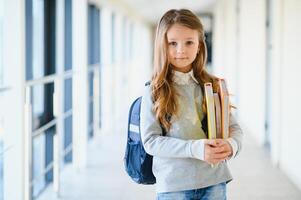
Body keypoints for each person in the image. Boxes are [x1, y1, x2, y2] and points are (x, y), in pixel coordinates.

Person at [140, 9, 243, 200]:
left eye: (189, 42)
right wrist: (195, 148)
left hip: (214, 181)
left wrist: (232, 145)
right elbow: (150, 142)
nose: (181, 50)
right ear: (162, 46)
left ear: (199, 46)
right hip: (173, 186)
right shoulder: (154, 90)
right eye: (172, 43)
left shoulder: (212, 85)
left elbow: (234, 128)